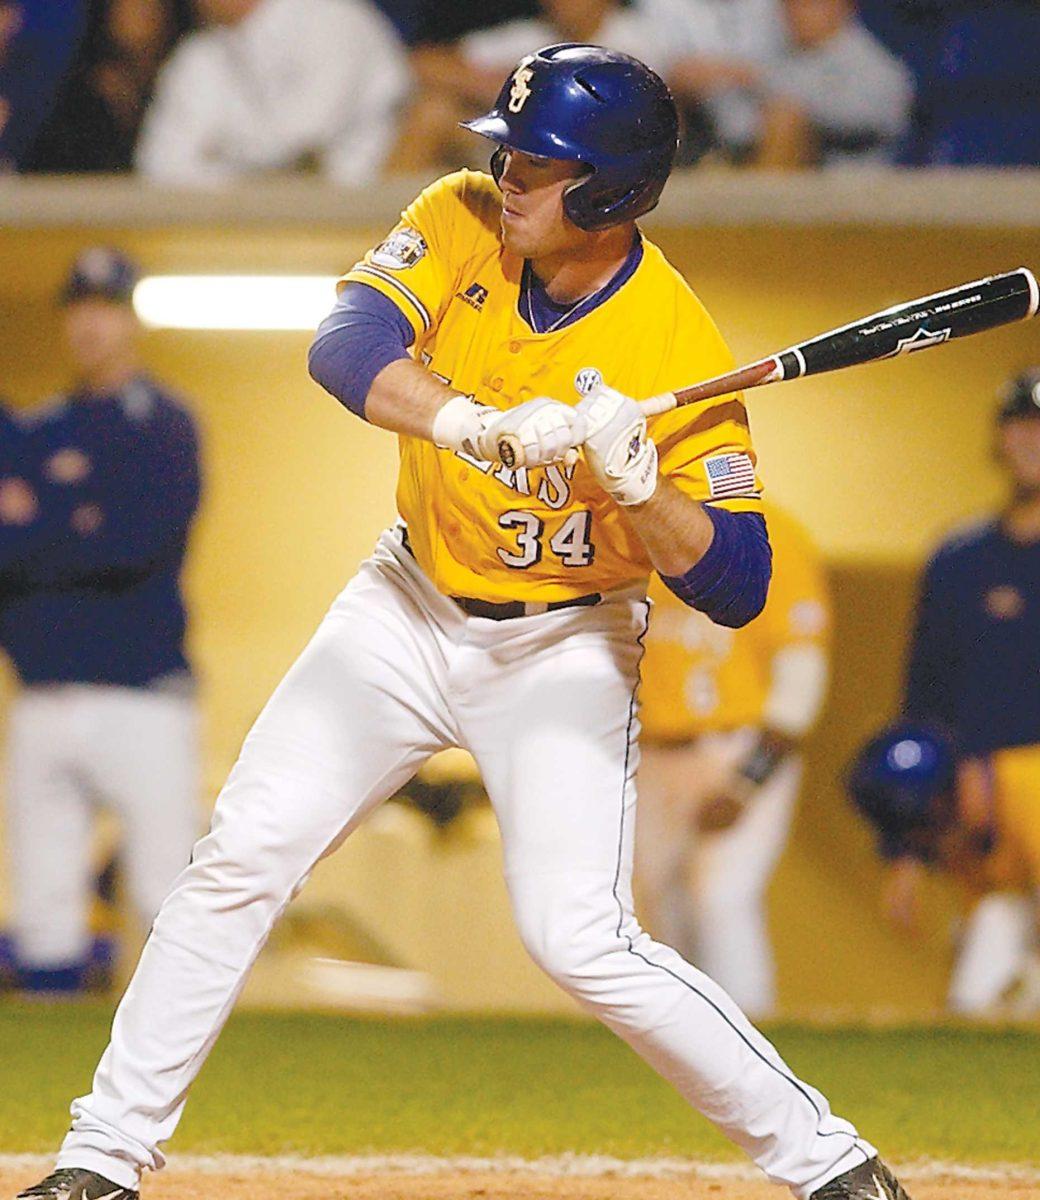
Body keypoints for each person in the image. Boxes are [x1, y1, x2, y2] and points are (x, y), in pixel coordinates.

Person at [19, 46, 909, 1200]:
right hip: (404, 602)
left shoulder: (674, 349)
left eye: (536, 164)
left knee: (576, 937)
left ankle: (829, 1164)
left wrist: (643, 488)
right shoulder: (457, 216)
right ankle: (101, 1159)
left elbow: (734, 579)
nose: (505, 174)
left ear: (610, 191)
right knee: (237, 857)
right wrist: (470, 425)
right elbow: (342, 347)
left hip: (563, 645)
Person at [0, 247, 202, 998]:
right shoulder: (37, 428)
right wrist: (69, 527)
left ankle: (184, 1077)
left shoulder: (166, 426)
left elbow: (136, 546)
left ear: (130, 318)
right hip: (42, 691)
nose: (91, 324)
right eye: (79, 307)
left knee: (167, 899)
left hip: (141, 695)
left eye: (106, 307)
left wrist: (36, 529)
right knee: (43, 906)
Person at [854, 367, 1040, 1015]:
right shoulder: (960, 559)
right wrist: (905, 846)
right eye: (1021, 424)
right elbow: (924, 701)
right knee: (980, 980)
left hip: (1018, 789)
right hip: (977, 801)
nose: (1032, 440)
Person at [635, 499, 830, 1018]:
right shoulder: (623, 525)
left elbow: (801, 675)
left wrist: (748, 781)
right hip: (649, 750)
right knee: (658, 903)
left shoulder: (772, 533)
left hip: (739, 744)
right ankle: (677, 1041)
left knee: (721, 898)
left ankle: (751, 1042)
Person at [848, 721, 1040, 1017]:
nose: (928, 842)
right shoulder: (974, 840)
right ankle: (970, 1038)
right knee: (992, 920)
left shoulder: (1030, 786)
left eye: (925, 825)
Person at [134, 0, 409, 186]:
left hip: (362, 227)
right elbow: (159, 165)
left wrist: (219, 154)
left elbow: (301, 142)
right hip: (243, 231)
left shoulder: (332, 17)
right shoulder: (200, 52)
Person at [670, 0, 914, 167]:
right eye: (790, 4)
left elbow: (873, 117)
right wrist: (699, 88)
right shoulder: (782, 59)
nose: (796, 12)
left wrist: (755, 79)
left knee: (786, 121)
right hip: (774, 176)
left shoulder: (877, 67)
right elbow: (739, 128)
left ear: (841, 6)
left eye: (808, 3)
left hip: (852, 193)